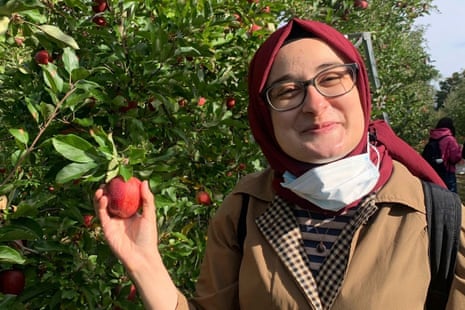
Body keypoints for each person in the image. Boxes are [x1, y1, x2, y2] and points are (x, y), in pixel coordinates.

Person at [94, 18, 465, 309]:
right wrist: (144, 262)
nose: (315, 104)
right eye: (287, 91)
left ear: (360, 89)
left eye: (332, 79)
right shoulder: (241, 212)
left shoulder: (439, 219)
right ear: (264, 117)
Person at [426, 117, 462, 193]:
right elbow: (454, 158)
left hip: (433, 170)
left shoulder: (433, 137)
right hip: (447, 172)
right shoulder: (450, 139)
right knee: (451, 197)